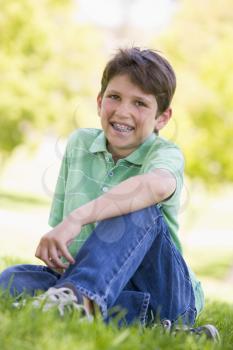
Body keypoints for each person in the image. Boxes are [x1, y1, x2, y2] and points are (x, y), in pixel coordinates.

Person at [0, 47, 218, 339]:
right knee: (11, 280)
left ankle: (81, 301)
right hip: (93, 280)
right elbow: (71, 242)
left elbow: (158, 185)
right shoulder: (79, 144)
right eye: (115, 97)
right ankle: (154, 325)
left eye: (140, 103)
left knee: (135, 203)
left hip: (163, 291)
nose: (123, 111)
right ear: (100, 101)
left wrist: (79, 217)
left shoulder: (165, 153)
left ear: (162, 118)